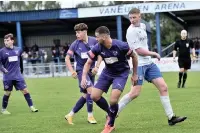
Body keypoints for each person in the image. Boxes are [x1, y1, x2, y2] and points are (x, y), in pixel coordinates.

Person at [118, 8, 187, 126]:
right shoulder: (130, 31)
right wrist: (153, 53)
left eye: (134, 17)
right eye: (130, 18)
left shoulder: (143, 26)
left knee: (163, 87)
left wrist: (150, 56)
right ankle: (114, 111)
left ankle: (171, 118)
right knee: (134, 93)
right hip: (138, 64)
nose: (132, 20)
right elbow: (138, 50)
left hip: (149, 64)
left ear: (140, 16)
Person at [81, 26, 138, 133]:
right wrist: (83, 77)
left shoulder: (121, 46)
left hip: (121, 74)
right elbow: (88, 62)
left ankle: (110, 124)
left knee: (113, 100)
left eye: (97, 37)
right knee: (94, 96)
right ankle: (111, 113)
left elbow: (134, 56)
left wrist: (135, 74)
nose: (96, 39)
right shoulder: (97, 47)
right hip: (107, 73)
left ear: (103, 37)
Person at [65, 23, 101, 125]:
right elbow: (67, 58)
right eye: (76, 32)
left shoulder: (94, 41)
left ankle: (70, 115)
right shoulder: (75, 44)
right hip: (81, 72)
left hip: (92, 72)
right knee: (91, 91)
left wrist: (97, 66)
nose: (77, 34)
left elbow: (100, 55)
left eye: (78, 32)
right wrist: (72, 71)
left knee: (86, 95)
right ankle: (90, 116)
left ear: (85, 31)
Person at [0, 33, 38, 114]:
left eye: (7, 40)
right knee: (8, 92)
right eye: (5, 41)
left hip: (18, 75)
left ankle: (32, 107)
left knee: (25, 90)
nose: (6, 42)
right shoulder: (2, 51)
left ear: (12, 41)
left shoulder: (19, 49)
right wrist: (3, 70)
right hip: (8, 76)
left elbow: (20, 60)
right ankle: (3, 109)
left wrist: (21, 71)